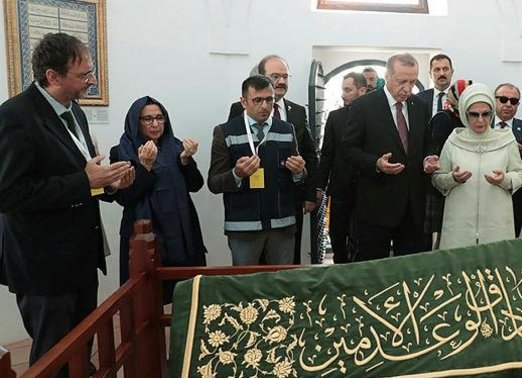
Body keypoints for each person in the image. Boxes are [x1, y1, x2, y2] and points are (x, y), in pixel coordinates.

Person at [0, 32, 134, 376]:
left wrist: (108, 184)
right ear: (53, 76)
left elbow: (81, 176)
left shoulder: (76, 112)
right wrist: (85, 181)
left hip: (80, 254)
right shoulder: (16, 115)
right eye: (84, 75)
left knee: (81, 346)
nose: (91, 82)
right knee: (54, 356)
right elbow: (10, 194)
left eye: (91, 73)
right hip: (43, 262)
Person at [342, 53, 440, 261]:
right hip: (376, 206)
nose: (407, 87)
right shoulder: (363, 106)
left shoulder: (420, 106)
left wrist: (428, 158)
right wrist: (375, 164)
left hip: (413, 208)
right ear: (387, 77)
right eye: (401, 81)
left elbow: (426, 143)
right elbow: (348, 150)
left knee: (412, 272)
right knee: (372, 271)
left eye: (412, 82)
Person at [110, 96, 207, 303]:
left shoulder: (176, 145)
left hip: (181, 232)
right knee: (146, 299)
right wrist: (144, 167)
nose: (155, 124)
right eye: (147, 119)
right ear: (136, 122)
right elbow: (124, 197)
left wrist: (185, 160)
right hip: (145, 233)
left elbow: (196, 185)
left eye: (159, 118)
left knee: (186, 295)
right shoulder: (121, 151)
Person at [227, 55, 319, 264]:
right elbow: (231, 151)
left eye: (285, 76)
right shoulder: (238, 109)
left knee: (287, 262)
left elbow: (309, 153)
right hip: (251, 200)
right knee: (254, 266)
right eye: (275, 76)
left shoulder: (296, 111)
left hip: (288, 198)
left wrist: (310, 193)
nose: (281, 82)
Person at [209, 75, 307, 265]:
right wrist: (237, 174)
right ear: (244, 102)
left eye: (269, 99)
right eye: (258, 100)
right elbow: (214, 183)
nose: (264, 106)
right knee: (246, 287)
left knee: (282, 285)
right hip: (243, 227)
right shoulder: (226, 131)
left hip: (282, 224)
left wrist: (299, 171)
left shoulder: (287, 129)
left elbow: (299, 177)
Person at [432, 83, 522, 249]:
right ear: (464, 113)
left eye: (486, 114)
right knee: (460, 270)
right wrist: (453, 178)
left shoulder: (506, 139)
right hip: (459, 224)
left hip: (496, 223)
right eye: (474, 114)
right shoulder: (454, 140)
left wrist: (504, 180)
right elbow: (437, 178)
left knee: (495, 269)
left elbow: (520, 174)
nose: (481, 120)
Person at [311, 72, 367, 263]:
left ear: (362, 90)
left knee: (362, 237)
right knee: (337, 234)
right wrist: (319, 186)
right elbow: (327, 154)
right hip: (341, 188)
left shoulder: (373, 116)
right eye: (343, 89)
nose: (343, 94)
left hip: (366, 189)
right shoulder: (335, 118)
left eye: (347, 90)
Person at [424, 79, 472, 248]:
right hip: (444, 183)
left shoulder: (471, 119)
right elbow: (437, 152)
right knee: (443, 238)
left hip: (464, 183)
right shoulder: (444, 118)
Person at [493, 83, 522, 237]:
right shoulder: (480, 124)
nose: (508, 104)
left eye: (514, 101)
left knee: (511, 243)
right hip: (485, 192)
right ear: (494, 100)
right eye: (503, 99)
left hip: (514, 196)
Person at [416, 54, 454, 118]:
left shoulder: (459, 98)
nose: (441, 73)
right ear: (430, 74)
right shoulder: (419, 98)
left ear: (452, 72)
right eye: (437, 69)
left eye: (445, 69)